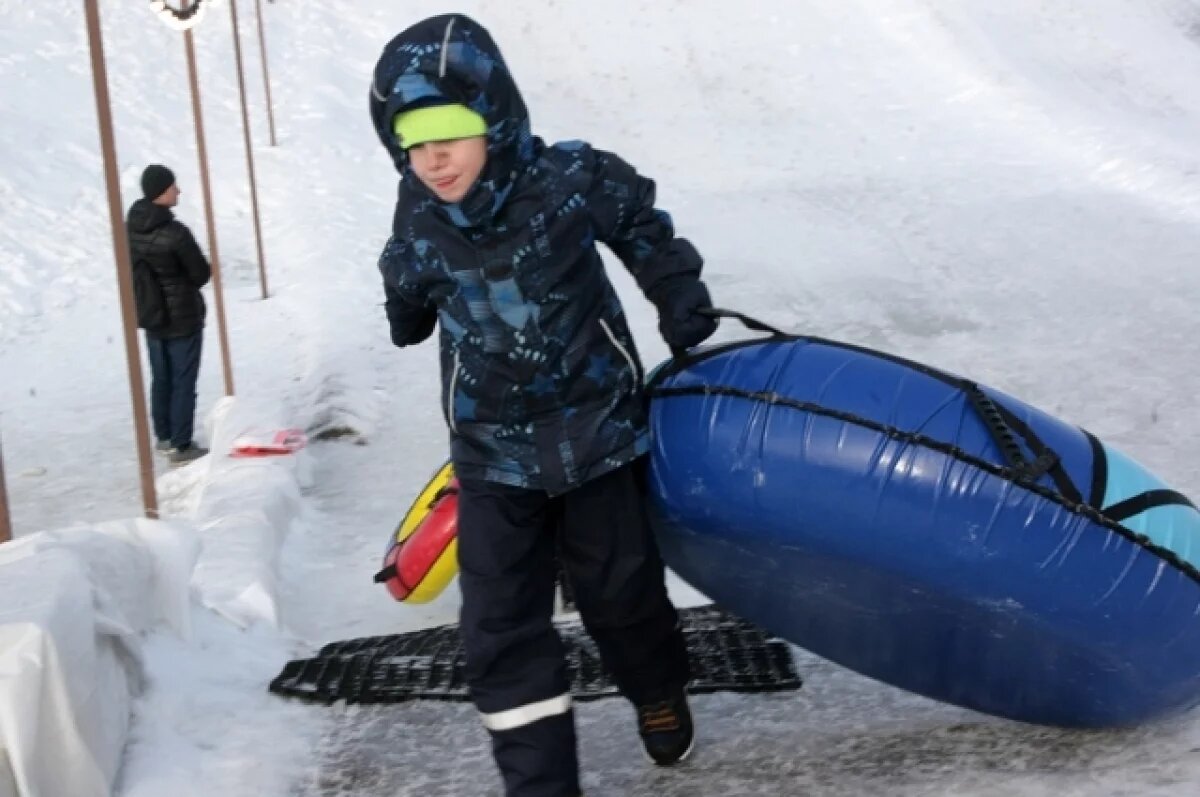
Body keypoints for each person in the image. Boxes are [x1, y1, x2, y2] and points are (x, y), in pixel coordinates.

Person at [371, 14, 718, 797]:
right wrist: (404, 303)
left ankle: (657, 688)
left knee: (620, 595)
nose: (434, 156)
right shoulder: (417, 209)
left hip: (595, 432)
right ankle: (540, 784)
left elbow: (640, 224)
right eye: (414, 140)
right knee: (497, 628)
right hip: (492, 453)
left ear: (494, 117)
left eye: (451, 132)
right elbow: (405, 268)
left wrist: (678, 294)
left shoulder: (566, 178)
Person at [126, 164, 211, 465]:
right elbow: (201, 273)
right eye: (173, 186)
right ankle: (181, 443)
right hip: (182, 316)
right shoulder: (175, 234)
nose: (179, 191)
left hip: (152, 314)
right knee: (183, 380)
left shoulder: (131, 226)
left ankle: (163, 436)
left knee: (161, 378)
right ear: (161, 192)